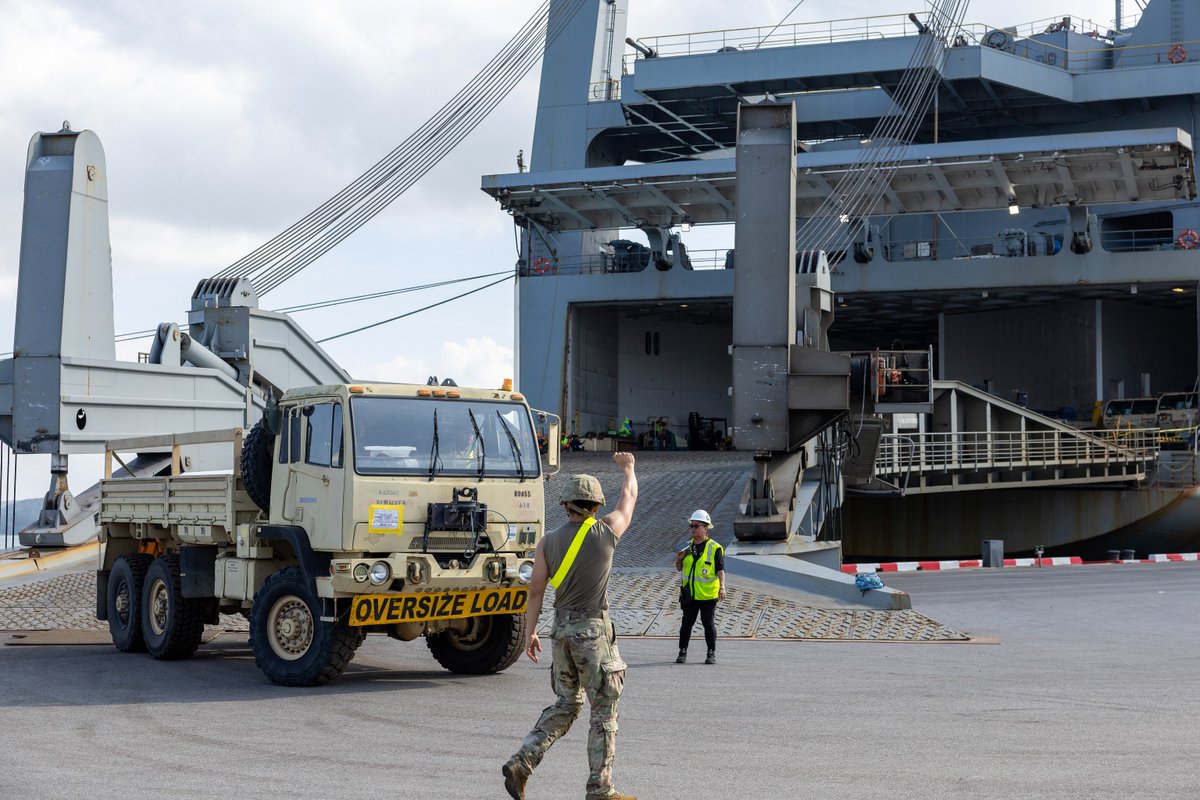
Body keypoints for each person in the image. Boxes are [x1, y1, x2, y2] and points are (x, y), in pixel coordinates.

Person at [503, 452, 639, 800]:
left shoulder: (548, 541)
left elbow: (535, 592)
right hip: (592, 632)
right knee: (604, 711)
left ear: (566, 505)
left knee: (566, 703)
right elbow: (629, 499)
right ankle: (600, 789)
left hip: (560, 631)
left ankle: (522, 761)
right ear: (595, 505)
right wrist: (628, 469)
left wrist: (530, 631)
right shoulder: (605, 531)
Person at [674, 509, 725, 665]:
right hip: (690, 595)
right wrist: (679, 560)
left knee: (708, 624)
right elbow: (678, 568)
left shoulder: (714, 548)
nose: (693, 529)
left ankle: (711, 653)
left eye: (696, 526)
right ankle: (682, 651)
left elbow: (720, 570)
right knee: (686, 624)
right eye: (692, 526)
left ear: (705, 528)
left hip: (708, 596)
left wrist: (722, 587)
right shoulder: (687, 548)